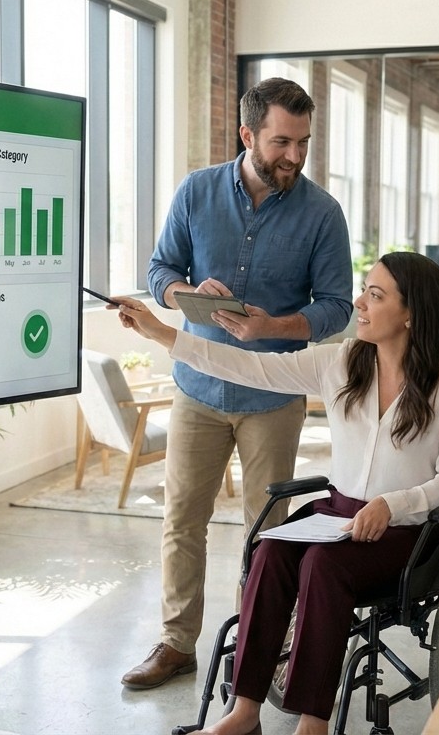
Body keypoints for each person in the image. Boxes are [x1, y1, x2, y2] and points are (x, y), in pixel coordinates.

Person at [110, 251, 439, 735]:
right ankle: (243, 713)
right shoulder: (343, 361)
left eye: (375, 294)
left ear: (412, 312)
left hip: (407, 531)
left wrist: (393, 504)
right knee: (271, 547)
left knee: (322, 565)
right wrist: (160, 331)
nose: (359, 303)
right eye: (364, 290)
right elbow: (246, 367)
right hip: (338, 515)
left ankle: (312, 724)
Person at [120, 78, 354, 691]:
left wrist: (280, 324)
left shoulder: (323, 214)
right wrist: (182, 294)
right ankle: (176, 643)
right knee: (182, 519)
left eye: (304, 142)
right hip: (198, 384)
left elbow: (336, 306)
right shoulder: (196, 192)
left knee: (270, 530)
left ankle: (261, 645)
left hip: (271, 396)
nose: (295, 156)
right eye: (282, 141)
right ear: (248, 135)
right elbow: (159, 269)